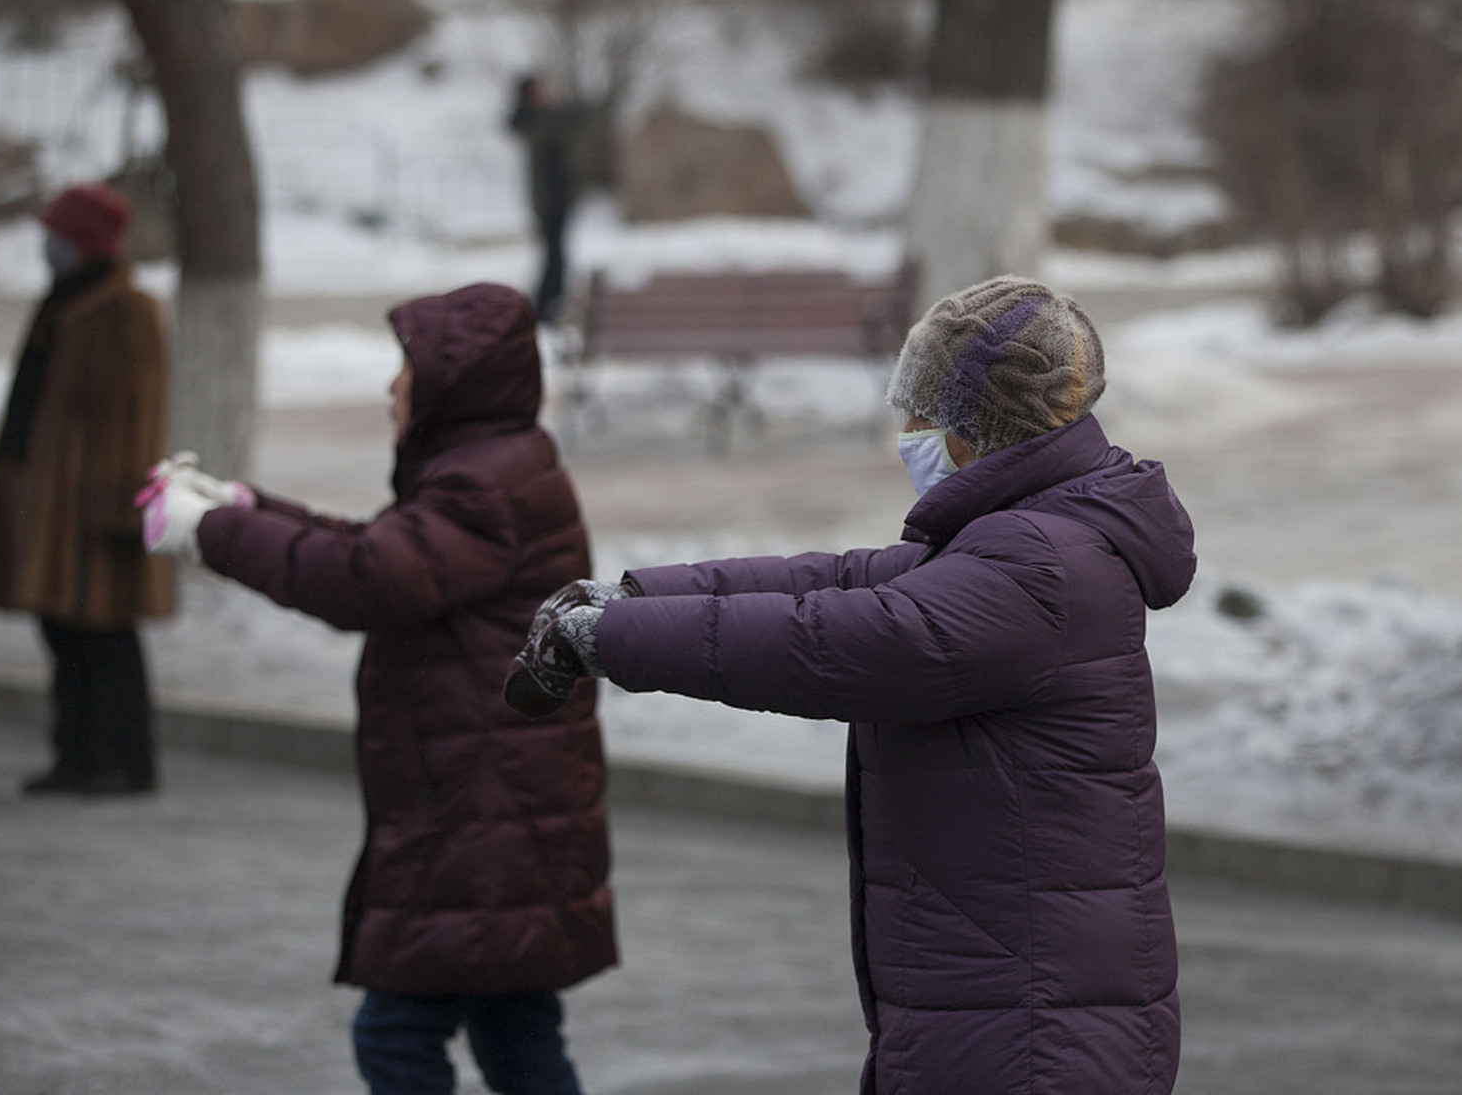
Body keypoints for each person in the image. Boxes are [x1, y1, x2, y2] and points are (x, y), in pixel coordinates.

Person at [505, 276, 1195, 1095]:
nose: (905, 431)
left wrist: (610, 638)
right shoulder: (1022, 539)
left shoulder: (1037, 565)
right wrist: (637, 595)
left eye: (923, 411)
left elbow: (840, 640)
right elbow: (830, 580)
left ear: (982, 429)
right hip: (1009, 1004)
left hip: (1033, 1030)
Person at [142, 283, 616, 1095]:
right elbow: (381, 548)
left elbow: (365, 579)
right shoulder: (494, 468)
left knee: (397, 1037)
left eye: (408, 369)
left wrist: (207, 532)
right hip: (498, 800)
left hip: (482, 811)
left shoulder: (483, 487)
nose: (392, 388)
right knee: (517, 1036)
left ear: (451, 384)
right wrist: (248, 507)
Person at [0, 183, 173, 796]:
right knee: (64, 634)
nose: (49, 246)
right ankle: (76, 755)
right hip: (52, 505)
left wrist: (122, 501)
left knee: (107, 639)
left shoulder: (126, 308)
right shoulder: (66, 299)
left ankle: (124, 761)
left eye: (60, 235)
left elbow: (141, 412)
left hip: (97, 509)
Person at [508, 74, 587, 325]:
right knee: (553, 254)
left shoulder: (542, 119)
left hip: (558, 198)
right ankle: (546, 306)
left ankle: (551, 302)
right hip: (548, 200)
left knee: (557, 253)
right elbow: (560, 121)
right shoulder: (533, 121)